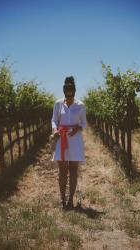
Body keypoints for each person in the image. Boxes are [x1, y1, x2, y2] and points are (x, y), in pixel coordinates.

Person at [51, 76, 87, 210]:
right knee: (62, 171)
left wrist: (78, 128)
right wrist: (55, 130)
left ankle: (71, 199)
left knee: (73, 171)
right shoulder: (58, 103)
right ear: (64, 90)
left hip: (75, 139)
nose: (69, 93)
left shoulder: (80, 105)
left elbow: (84, 123)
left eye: (71, 90)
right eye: (67, 90)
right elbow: (54, 120)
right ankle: (62, 199)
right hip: (62, 138)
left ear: (74, 90)